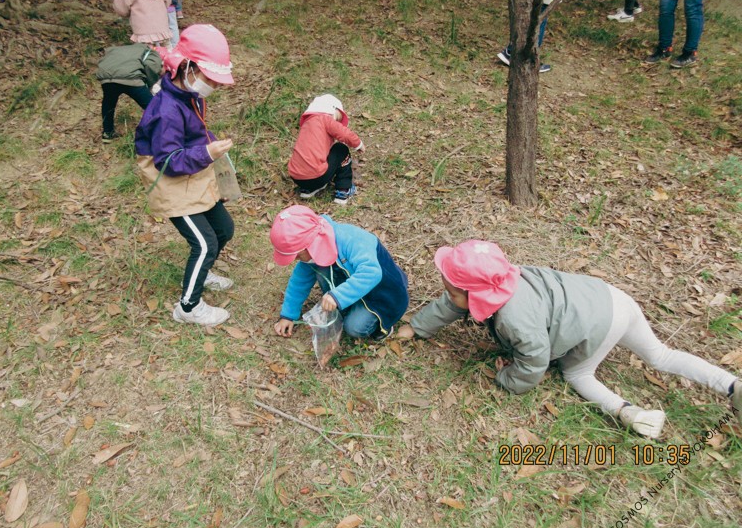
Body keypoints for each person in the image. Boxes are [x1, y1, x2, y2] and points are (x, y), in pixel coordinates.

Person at [397, 240, 742, 438]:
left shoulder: (516, 320)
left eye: (452, 291)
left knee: (578, 374)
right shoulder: (502, 280)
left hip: (598, 327)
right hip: (612, 299)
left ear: (474, 295)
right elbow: (451, 304)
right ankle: (730, 385)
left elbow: (534, 360)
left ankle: (628, 411)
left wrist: (507, 377)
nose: (448, 296)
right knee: (661, 356)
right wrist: (419, 326)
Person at [135, 25, 236, 326]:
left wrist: (210, 143)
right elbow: (167, 161)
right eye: (211, 79)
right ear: (188, 68)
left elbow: (195, 131)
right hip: (172, 181)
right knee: (204, 243)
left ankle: (202, 274)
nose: (213, 87)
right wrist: (207, 153)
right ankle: (188, 307)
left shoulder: (191, 93)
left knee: (224, 230)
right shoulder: (166, 110)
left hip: (193, 172)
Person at [270, 205, 409, 341]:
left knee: (354, 328)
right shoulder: (314, 249)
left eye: (298, 256)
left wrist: (338, 296)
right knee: (318, 268)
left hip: (383, 294)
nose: (296, 260)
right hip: (353, 286)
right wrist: (288, 315)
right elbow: (299, 282)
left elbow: (372, 273)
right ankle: (346, 306)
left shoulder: (351, 240)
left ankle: (381, 324)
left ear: (310, 245)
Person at [287, 94, 364, 206]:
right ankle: (343, 190)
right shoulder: (325, 119)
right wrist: (358, 144)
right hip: (316, 176)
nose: (337, 121)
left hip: (297, 177)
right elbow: (344, 133)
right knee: (341, 149)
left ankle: (308, 189)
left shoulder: (307, 124)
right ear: (332, 109)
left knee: (317, 156)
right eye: (338, 117)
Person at [97, 44, 163, 142]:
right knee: (153, 107)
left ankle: (107, 133)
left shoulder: (115, 49)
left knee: (108, 104)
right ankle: (162, 134)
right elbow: (151, 66)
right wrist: (151, 84)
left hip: (107, 79)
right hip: (131, 79)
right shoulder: (149, 50)